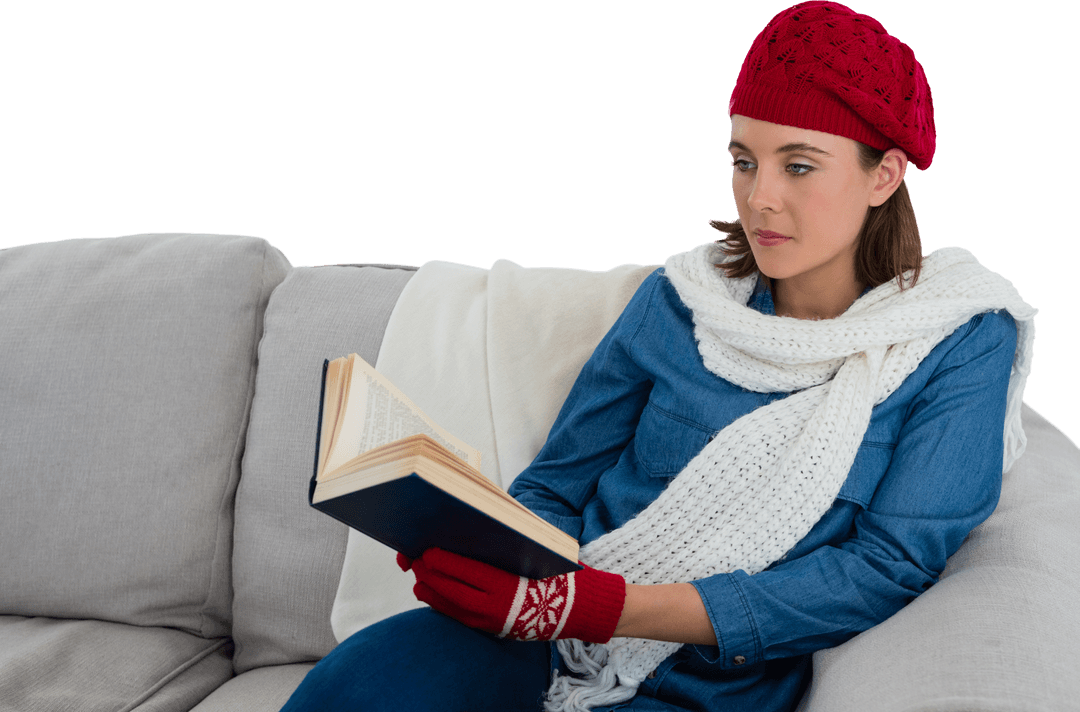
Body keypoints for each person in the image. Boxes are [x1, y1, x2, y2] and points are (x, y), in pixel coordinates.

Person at [280, 1, 1037, 710]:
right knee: (346, 690)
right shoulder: (682, 299)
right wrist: (488, 555)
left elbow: (887, 568)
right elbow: (556, 484)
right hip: (549, 629)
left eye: (798, 165)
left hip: (716, 679)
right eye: (744, 161)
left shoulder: (960, 337)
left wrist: (607, 606)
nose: (761, 196)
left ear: (885, 174)